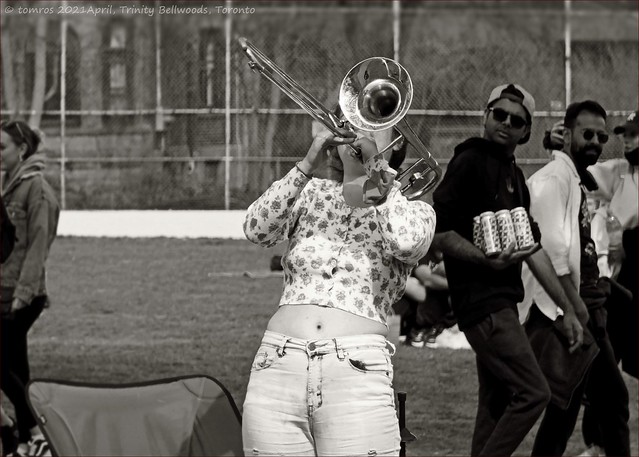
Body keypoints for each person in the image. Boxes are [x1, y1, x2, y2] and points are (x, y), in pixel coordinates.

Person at [241, 111, 436, 456]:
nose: (357, 128)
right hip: (277, 368)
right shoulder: (311, 192)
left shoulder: (413, 210)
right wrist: (305, 165)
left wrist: (374, 169)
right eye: (350, 119)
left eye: (373, 124)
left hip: (356, 375)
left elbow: (406, 242)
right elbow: (256, 228)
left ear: (396, 142)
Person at [431, 83, 584, 456]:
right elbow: (439, 233)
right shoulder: (469, 161)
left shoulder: (515, 178)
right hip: (483, 305)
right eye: (499, 114)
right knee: (534, 393)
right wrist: (483, 259)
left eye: (516, 120)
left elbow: (534, 249)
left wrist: (566, 309)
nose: (506, 123)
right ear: (485, 116)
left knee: (494, 405)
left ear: (526, 131)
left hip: (504, 306)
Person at [523, 100, 630, 457]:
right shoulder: (564, 177)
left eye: (602, 137)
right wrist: (575, 309)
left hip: (591, 300)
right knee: (601, 400)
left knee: (570, 406)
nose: (597, 143)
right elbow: (554, 255)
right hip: (578, 305)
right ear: (568, 134)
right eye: (588, 135)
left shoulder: (587, 172)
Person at [579, 110, 638, 457]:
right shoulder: (619, 171)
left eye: (634, 134)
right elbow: (579, 172)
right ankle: (599, 442)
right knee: (603, 364)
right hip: (622, 279)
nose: (628, 140)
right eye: (626, 135)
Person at [1, 120, 60, 457]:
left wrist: (23, 294)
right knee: (16, 368)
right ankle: (27, 441)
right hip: (7, 291)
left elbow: (38, 246)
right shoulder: (10, 184)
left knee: (6, 367)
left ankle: (33, 431)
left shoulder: (35, 188)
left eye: (2, 147)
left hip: (22, 296)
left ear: (21, 149)